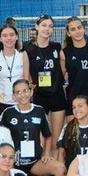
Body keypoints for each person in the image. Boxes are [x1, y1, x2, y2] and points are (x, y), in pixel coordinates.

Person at [0, 80, 66, 176]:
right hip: (14, 163)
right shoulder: (8, 112)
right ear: (13, 96)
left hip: (34, 162)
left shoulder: (39, 110)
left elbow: (48, 135)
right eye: (18, 92)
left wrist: (46, 154)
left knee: (60, 168)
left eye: (25, 91)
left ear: (31, 92)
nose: (22, 95)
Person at [25, 14, 67, 148]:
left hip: (57, 95)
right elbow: (26, 75)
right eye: (44, 25)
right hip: (39, 96)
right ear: (37, 27)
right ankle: (42, 160)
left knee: (55, 139)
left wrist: (58, 78)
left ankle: (53, 161)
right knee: (41, 139)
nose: (47, 29)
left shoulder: (56, 47)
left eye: (50, 26)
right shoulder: (29, 50)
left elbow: (63, 63)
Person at [60, 16, 88, 121]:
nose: (77, 31)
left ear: (84, 28)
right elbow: (59, 77)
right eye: (73, 29)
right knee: (73, 131)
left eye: (79, 27)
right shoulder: (64, 53)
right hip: (74, 99)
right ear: (68, 33)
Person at [0, 23, 31, 115]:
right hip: (1, 102)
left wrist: (27, 101)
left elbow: (26, 80)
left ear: (16, 37)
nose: (9, 38)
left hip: (20, 101)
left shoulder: (22, 55)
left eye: (11, 35)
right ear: (0, 39)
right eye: (5, 36)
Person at [57, 95, 88, 176]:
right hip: (72, 170)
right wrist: (61, 169)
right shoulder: (68, 127)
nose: (76, 109)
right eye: (74, 107)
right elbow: (61, 150)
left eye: (80, 106)